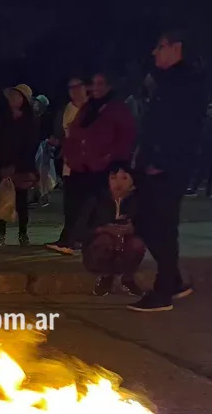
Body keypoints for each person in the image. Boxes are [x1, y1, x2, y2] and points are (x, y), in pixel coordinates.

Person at [130, 29, 207, 312]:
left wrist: (161, 160)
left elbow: (182, 127)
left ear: (176, 48)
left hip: (167, 165)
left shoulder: (184, 82)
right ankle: (172, 280)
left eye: (160, 46)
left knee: (161, 225)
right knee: (146, 221)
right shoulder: (168, 81)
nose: (155, 52)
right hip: (156, 163)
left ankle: (163, 292)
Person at [50, 72, 137, 254]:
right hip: (84, 165)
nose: (95, 88)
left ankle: (97, 244)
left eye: (100, 84)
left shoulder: (116, 108)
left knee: (100, 207)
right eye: (94, 83)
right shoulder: (89, 108)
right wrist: (73, 154)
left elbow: (125, 136)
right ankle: (75, 240)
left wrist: (109, 156)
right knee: (79, 204)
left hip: (105, 166)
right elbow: (76, 132)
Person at [82, 162, 146, 297]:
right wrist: (102, 229)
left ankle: (127, 279)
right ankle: (105, 276)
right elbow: (79, 231)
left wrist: (133, 228)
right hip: (98, 252)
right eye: (113, 178)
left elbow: (150, 228)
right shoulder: (96, 199)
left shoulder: (139, 200)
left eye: (124, 178)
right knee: (104, 240)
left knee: (138, 243)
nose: (118, 183)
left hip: (125, 249)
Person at [0, 84, 38, 246]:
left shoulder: (29, 121)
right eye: (11, 95)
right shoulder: (1, 118)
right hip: (3, 166)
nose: (12, 99)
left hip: (22, 167)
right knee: (3, 200)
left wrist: (18, 166)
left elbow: (30, 145)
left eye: (17, 96)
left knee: (22, 201)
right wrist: (0, 165)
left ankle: (23, 234)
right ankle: (0, 234)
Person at [45, 76, 88, 252]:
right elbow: (60, 134)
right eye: (71, 88)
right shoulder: (66, 110)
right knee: (71, 202)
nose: (74, 91)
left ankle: (77, 237)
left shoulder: (92, 108)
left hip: (88, 162)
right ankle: (69, 237)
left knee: (85, 202)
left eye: (78, 86)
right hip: (70, 162)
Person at [187, 101, 212, 197]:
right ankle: (194, 188)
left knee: (211, 170)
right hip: (205, 147)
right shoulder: (206, 120)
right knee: (202, 168)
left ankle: (208, 191)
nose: (209, 110)